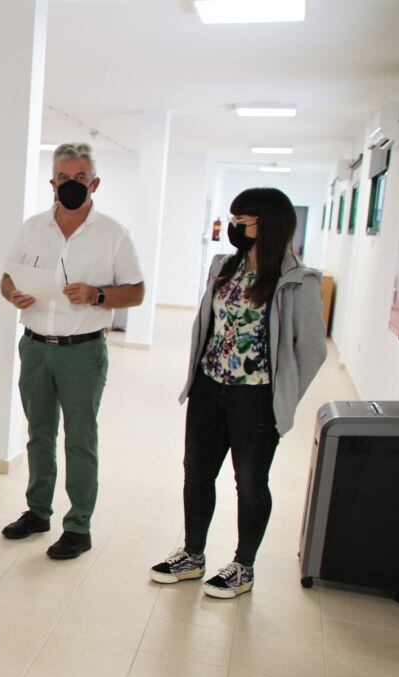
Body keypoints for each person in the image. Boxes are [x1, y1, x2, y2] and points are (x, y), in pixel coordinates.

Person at [150, 187, 327, 598]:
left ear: (268, 224)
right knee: (197, 473)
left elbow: (313, 350)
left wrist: (283, 393)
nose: (233, 227)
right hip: (209, 389)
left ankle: (243, 566)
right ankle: (192, 555)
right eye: (232, 219)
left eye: (241, 220)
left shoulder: (297, 281)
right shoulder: (222, 267)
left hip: (257, 398)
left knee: (249, 483)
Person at [0, 142, 145, 559]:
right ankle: (37, 512)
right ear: (52, 182)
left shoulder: (114, 233)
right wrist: (14, 295)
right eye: (63, 178)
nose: (71, 185)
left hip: (82, 352)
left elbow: (135, 292)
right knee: (38, 435)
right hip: (35, 348)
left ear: (94, 183)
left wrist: (97, 294)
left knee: (80, 439)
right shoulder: (32, 228)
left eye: (80, 178)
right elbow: (7, 279)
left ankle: (79, 525)